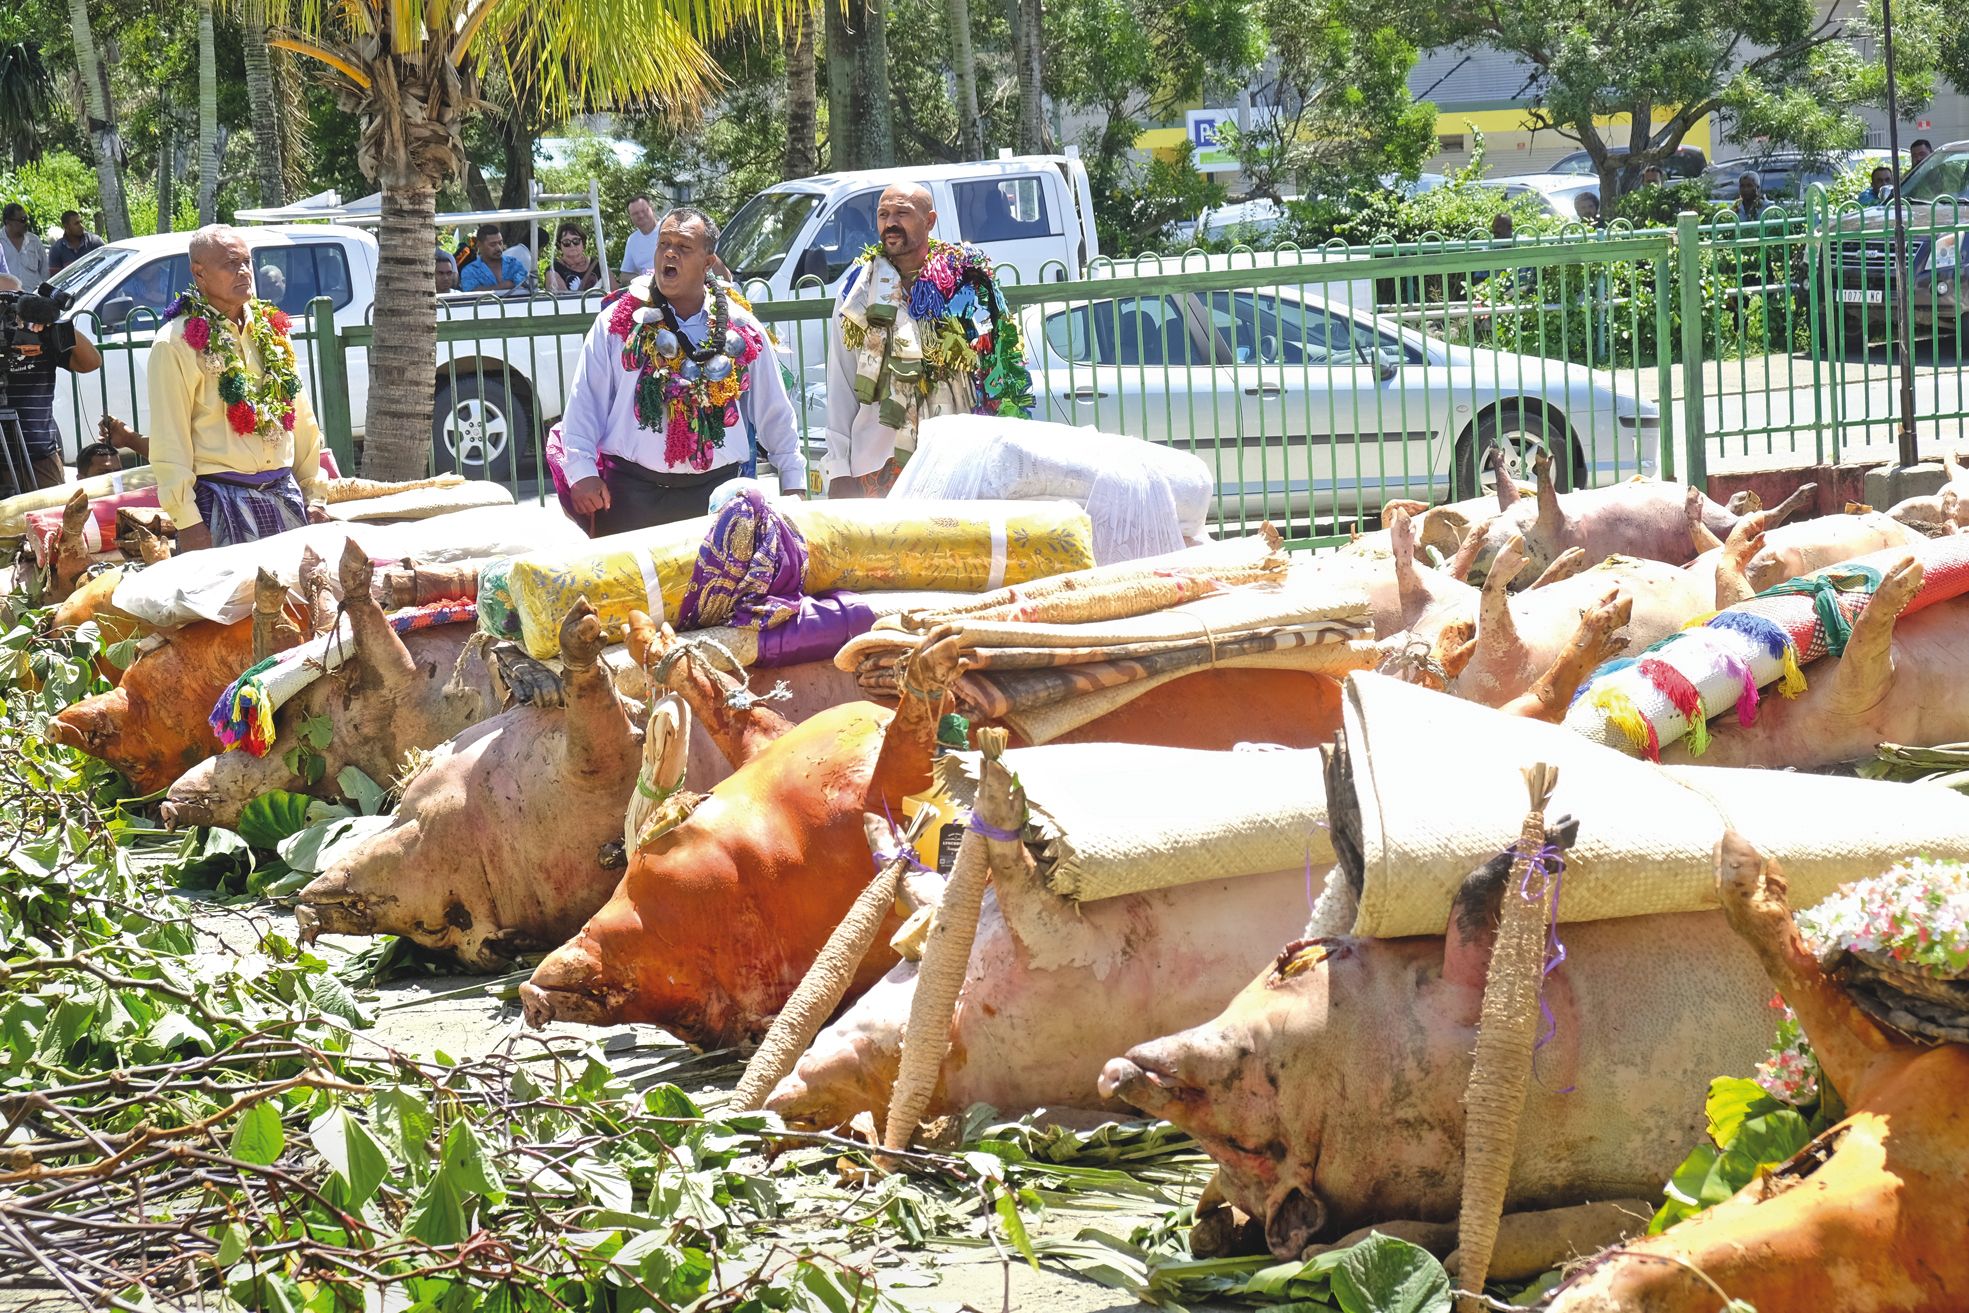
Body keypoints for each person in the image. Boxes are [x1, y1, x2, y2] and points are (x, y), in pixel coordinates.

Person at [558, 206, 807, 534]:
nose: (669, 254)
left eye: (684, 247)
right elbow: (584, 402)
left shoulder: (739, 326)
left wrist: (793, 482)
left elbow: (775, 410)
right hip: (631, 497)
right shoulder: (617, 323)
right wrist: (582, 471)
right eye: (664, 244)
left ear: (708, 262)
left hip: (717, 499)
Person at [822, 182, 1033, 498]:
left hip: (957, 462)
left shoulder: (967, 283)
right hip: (878, 466)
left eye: (902, 213)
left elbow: (998, 371)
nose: (890, 223)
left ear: (930, 221)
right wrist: (838, 470)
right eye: (883, 214)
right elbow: (841, 384)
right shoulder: (857, 293)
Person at [146, 224, 329, 550]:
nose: (244, 271)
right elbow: (169, 442)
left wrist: (314, 495)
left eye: (247, 261)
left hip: (285, 495)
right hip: (220, 503)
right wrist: (188, 522)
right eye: (231, 263)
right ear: (199, 273)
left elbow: (301, 418)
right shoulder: (176, 343)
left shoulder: (273, 331)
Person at [0, 271, 103, 490]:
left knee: (48, 521)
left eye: (13, 301)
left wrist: (52, 320)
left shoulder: (41, 334)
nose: (7, 312)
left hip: (40, 459)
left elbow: (91, 362)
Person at [459, 223, 530, 293]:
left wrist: (486, 289)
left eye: (500, 243)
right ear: (479, 245)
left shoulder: (513, 263)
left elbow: (524, 283)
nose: (498, 248)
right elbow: (471, 292)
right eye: (492, 244)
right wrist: (506, 285)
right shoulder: (470, 270)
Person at [548, 222, 603, 294]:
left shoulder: (598, 265)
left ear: (583, 242)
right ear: (559, 245)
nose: (572, 245)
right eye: (566, 242)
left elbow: (614, 293)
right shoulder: (553, 270)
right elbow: (563, 300)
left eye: (576, 241)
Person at [2, 204, 48, 287]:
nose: (26, 223)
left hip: (34, 296)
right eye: (22, 220)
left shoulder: (34, 241)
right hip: (8, 297)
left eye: (26, 219)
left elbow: (45, 272)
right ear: (8, 222)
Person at [619, 195, 660, 279]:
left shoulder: (668, 230)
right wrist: (642, 280)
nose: (641, 215)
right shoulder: (632, 240)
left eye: (644, 211)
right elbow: (625, 275)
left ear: (652, 209)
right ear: (630, 217)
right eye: (635, 213)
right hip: (646, 288)